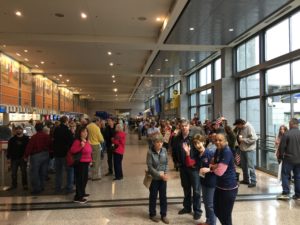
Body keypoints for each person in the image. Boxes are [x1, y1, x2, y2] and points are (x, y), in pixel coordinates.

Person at [203, 133, 238, 225]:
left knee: (225, 215)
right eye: (216, 140)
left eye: (220, 140)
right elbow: (213, 163)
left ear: (225, 141)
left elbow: (219, 171)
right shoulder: (218, 150)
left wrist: (210, 168)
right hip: (219, 185)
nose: (217, 142)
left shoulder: (226, 151)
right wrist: (215, 166)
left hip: (229, 188)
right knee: (217, 210)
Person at [171, 119, 202, 220]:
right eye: (182, 126)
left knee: (196, 190)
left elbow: (200, 151)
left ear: (189, 126)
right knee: (186, 188)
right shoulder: (176, 139)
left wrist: (197, 164)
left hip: (194, 169)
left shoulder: (194, 138)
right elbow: (174, 151)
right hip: (183, 168)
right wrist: (177, 163)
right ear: (179, 127)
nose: (184, 127)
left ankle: (197, 210)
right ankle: (187, 207)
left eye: (186, 125)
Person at [184, 134, 216, 225]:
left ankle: (212, 223)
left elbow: (218, 167)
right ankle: (208, 221)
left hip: (211, 183)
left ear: (203, 142)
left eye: (199, 143)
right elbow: (190, 164)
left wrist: (209, 169)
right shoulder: (199, 155)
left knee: (210, 205)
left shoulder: (210, 153)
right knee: (206, 203)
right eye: (195, 144)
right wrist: (187, 154)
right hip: (204, 182)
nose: (197, 145)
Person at [146, 135, 169, 224]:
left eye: (161, 142)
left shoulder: (164, 150)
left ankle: (163, 214)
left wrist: (166, 173)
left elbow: (166, 163)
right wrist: (159, 175)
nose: (160, 144)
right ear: (154, 143)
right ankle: (152, 214)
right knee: (153, 196)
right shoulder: (150, 152)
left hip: (163, 178)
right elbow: (150, 167)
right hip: (154, 178)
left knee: (163, 196)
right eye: (158, 142)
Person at [24, 123, 52, 194]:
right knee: (43, 172)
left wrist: (26, 156)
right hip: (45, 155)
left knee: (34, 173)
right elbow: (50, 145)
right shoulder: (47, 136)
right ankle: (42, 186)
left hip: (36, 156)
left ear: (35, 129)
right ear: (42, 128)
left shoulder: (34, 137)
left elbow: (29, 147)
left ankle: (36, 188)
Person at [277, 118, 300, 200]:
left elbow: (282, 147)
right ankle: (298, 195)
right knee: (298, 176)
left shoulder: (287, 134)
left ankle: (286, 193)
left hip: (288, 159)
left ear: (291, 124)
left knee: (285, 175)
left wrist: (280, 158)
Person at [69, 126, 92, 204]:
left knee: (85, 179)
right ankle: (78, 197)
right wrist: (80, 147)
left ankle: (82, 193)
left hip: (86, 162)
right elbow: (72, 150)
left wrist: (90, 160)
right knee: (80, 180)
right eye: (83, 132)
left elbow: (89, 151)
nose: (85, 133)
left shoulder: (86, 140)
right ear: (79, 133)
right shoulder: (77, 141)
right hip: (80, 163)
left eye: (86, 131)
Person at [233, 118, 258, 188]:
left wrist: (243, 139)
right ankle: (246, 179)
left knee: (251, 166)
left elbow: (254, 138)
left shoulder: (249, 127)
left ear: (241, 124)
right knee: (244, 166)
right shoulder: (240, 129)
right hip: (242, 149)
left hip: (250, 150)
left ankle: (253, 181)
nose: (237, 127)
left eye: (238, 125)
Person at [53, 116, 74, 193]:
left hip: (57, 153)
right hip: (65, 153)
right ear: (66, 121)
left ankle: (58, 188)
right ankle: (69, 187)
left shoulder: (56, 129)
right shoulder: (67, 130)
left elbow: (54, 139)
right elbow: (71, 142)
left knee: (58, 172)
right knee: (70, 171)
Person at [6, 125, 29, 190]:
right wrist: (8, 158)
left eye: (20, 129)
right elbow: (9, 149)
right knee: (13, 173)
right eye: (17, 129)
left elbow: (28, 149)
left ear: (22, 130)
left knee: (24, 172)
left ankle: (25, 185)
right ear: (15, 130)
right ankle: (14, 185)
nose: (18, 130)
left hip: (23, 158)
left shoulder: (26, 139)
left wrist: (27, 156)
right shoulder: (12, 139)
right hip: (14, 158)